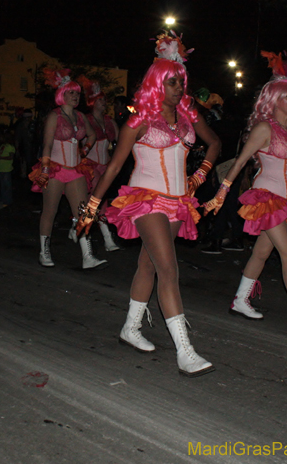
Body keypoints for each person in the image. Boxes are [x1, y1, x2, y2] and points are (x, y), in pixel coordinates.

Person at [77, 31, 221, 377]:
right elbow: (113, 166)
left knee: (149, 265)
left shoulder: (189, 117)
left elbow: (215, 143)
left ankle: (130, 327)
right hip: (146, 198)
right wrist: (92, 205)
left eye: (180, 82)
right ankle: (184, 350)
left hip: (177, 201)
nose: (178, 88)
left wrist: (199, 176)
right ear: (157, 83)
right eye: (171, 82)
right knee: (169, 270)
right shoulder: (138, 120)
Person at [204, 51, 287, 334]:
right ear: (273, 98)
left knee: (261, 252)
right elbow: (239, 162)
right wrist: (222, 192)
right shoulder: (264, 128)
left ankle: (240, 300)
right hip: (266, 197)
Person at [28, 69, 106, 269]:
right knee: (50, 212)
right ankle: (44, 251)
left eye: (77, 93)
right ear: (62, 94)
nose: (75, 96)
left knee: (83, 213)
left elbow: (92, 135)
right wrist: (45, 171)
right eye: (71, 93)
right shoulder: (54, 116)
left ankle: (88, 256)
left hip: (75, 170)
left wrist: (84, 151)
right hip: (54, 169)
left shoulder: (80, 116)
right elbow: (46, 145)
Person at [78, 75, 120, 251]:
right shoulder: (85, 120)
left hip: (105, 166)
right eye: (101, 100)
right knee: (96, 202)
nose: (104, 102)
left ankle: (78, 228)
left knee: (98, 202)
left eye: (104, 99)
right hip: (92, 166)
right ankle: (106, 238)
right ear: (93, 102)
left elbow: (119, 140)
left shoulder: (109, 120)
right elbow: (80, 143)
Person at [0, 129, 15, 210]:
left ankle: (7, 201)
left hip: (6, 169)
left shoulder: (10, 147)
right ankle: (3, 199)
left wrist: (1, 157)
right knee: (2, 185)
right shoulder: (2, 146)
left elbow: (11, 157)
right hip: (1, 168)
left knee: (7, 186)